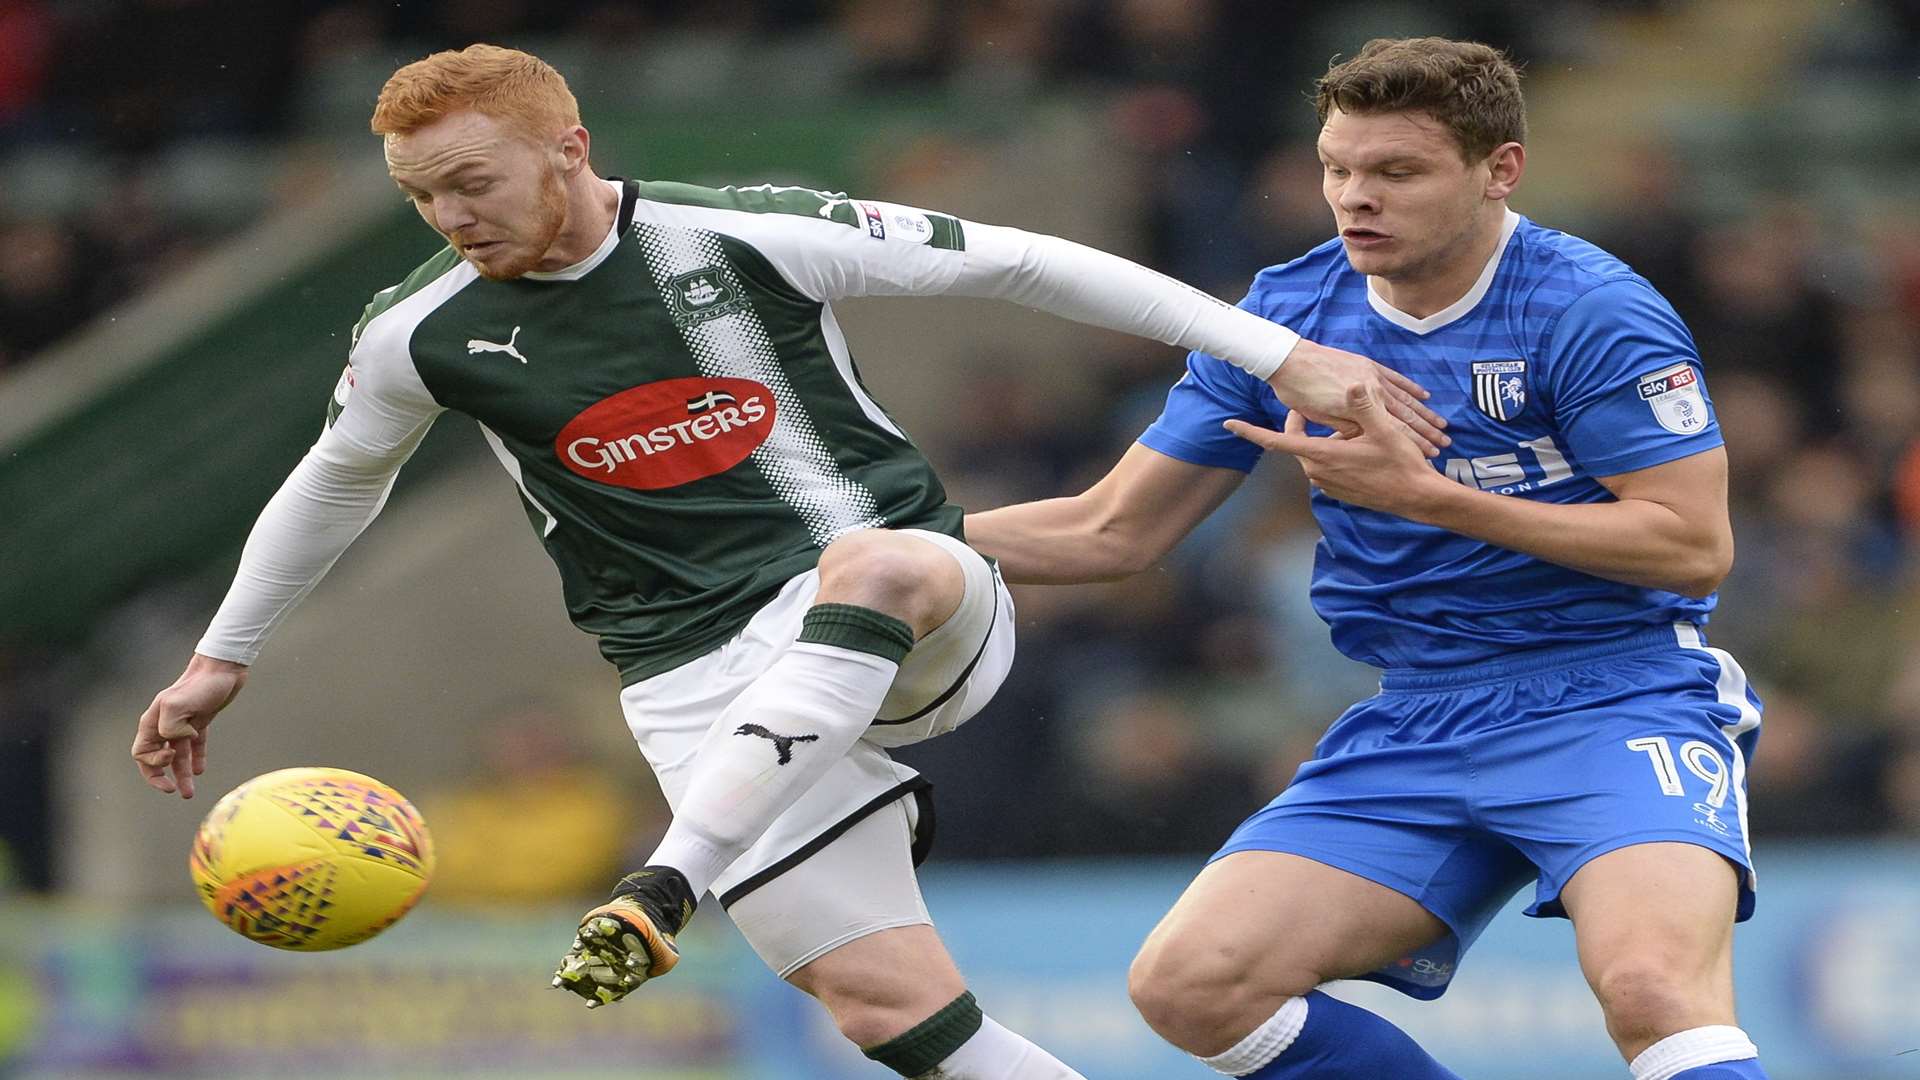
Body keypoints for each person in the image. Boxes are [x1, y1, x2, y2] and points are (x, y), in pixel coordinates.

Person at [127, 44, 1445, 1080]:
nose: (451, 214)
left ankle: (664, 881)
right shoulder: (424, 332)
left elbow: (1026, 263)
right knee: (890, 1015)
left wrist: (1284, 353)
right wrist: (218, 660)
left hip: (910, 604)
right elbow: (338, 477)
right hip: (693, 677)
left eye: (473, 181)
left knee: (877, 561)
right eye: (423, 196)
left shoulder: (741, 234)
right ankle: (696, 870)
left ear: (567, 148)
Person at [967, 36, 1766, 1080]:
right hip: (1418, 713)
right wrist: (854, 544)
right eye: (1338, 168)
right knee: (1193, 983)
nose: (1356, 198)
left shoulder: (1590, 310)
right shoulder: (1288, 316)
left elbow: (1693, 547)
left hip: (1615, 696)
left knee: (1654, 990)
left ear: (1499, 170)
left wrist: (1429, 498)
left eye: (1397, 171)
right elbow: (1111, 530)